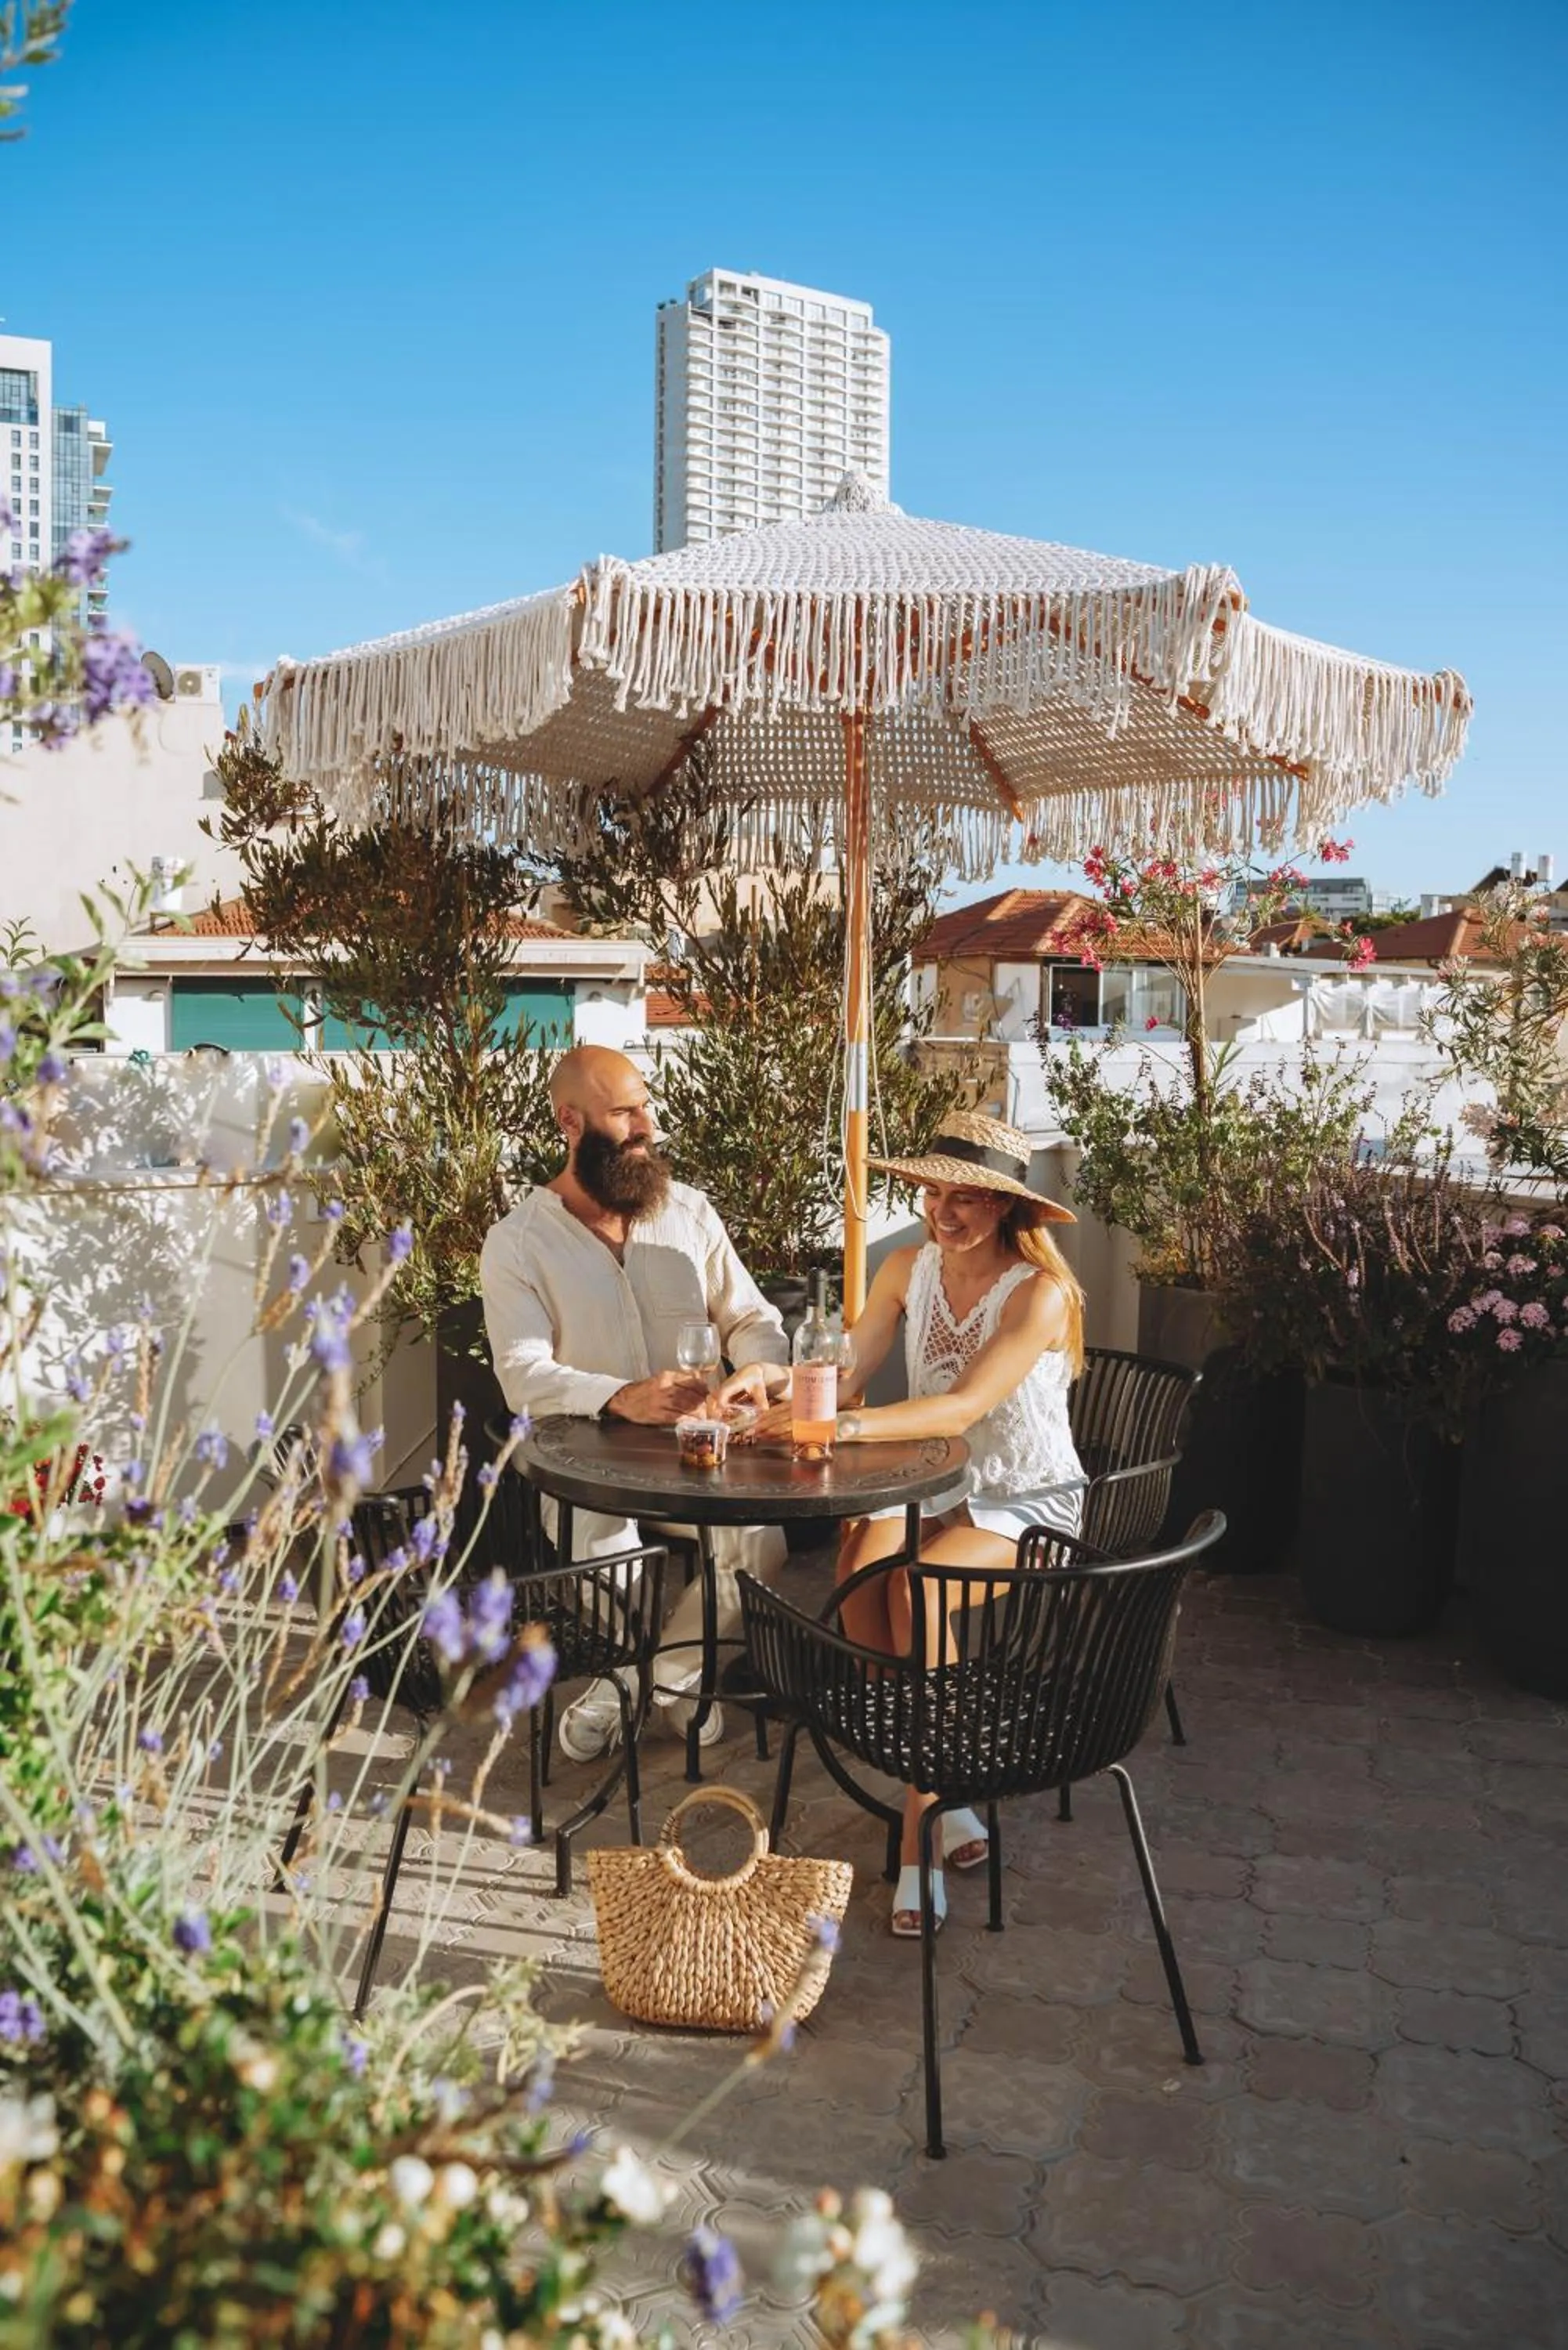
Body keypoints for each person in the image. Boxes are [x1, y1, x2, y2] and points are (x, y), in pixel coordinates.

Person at [718, 1109, 1086, 1936]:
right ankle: (942, 1779)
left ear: (1005, 1206)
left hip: (1024, 1497)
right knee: (859, 1566)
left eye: (965, 1198)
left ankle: (919, 1837)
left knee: (920, 1593)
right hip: (928, 1480)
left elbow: (960, 1408)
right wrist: (770, 1381)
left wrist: (833, 1428)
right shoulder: (905, 1267)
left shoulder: (1041, 1294)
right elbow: (844, 1375)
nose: (941, 1212)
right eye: (931, 1193)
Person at [479, 1044, 791, 1759]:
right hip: (585, 1466)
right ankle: (625, 1678)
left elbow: (752, 1318)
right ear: (570, 1121)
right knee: (610, 1558)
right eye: (624, 1113)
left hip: (704, 1451)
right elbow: (521, 1372)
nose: (646, 1126)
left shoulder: (690, 1213)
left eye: (645, 1107)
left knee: (761, 1541)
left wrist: (758, 1368)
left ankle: (668, 1678)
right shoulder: (517, 1243)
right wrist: (622, 1397)